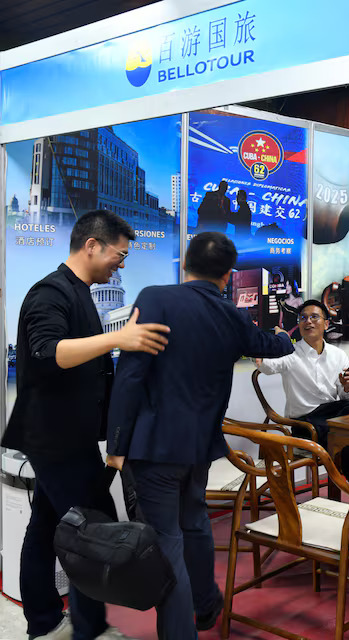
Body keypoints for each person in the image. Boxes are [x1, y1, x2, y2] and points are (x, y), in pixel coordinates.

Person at [105, 232, 294, 639]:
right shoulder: (233, 316)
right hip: (200, 449)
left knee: (167, 542)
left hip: (154, 449)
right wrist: (285, 337)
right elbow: (271, 345)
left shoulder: (156, 298)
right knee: (194, 523)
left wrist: (115, 445)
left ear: (184, 263)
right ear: (228, 276)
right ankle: (206, 605)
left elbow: (130, 377)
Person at [2, 210, 172, 640]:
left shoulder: (80, 292)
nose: (122, 262)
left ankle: (44, 623)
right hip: (54, 439)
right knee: (94, 533)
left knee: (45, 527)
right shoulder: (49, 293)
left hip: (67, 436)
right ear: (92, 245)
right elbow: (47, 352)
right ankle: (90, 629)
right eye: (120, 253)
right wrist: (118, 339)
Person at [256, 301, 349, 491]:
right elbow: (265, 365)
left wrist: (347, 387)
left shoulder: (338, 355)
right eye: (303, 318)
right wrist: (279, 338)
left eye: (314, 317)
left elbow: (346, 398)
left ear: (326, 324)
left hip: (334, 416)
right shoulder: (289, 353)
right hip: (306, 423)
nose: (308, 322)